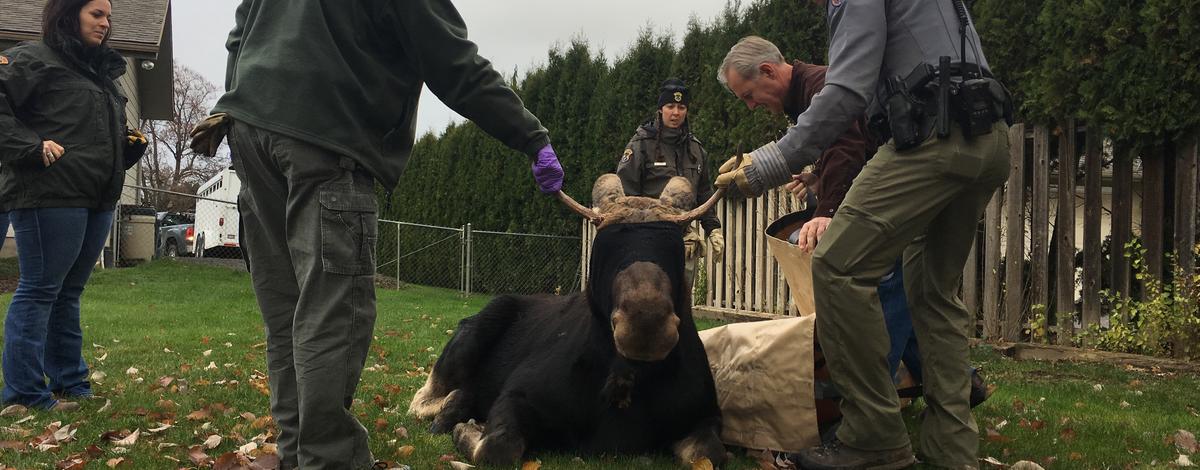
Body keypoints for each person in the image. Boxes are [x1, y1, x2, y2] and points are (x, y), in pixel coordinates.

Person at [190, 1, 565, 469]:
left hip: (249, 128)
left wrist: (247, 99)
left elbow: (240, 31)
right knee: (333, 310)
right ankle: (330, 460)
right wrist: (531, 137)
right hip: (328, 137)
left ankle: (296, 453)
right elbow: (454, 64)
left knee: (287, 308)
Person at [715, 1, 1011, 468]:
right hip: (988, 135)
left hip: (934, 138)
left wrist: (771, 163)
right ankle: (951, 452)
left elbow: (847, 92)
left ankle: (872, 436)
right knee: (931, 295)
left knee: (835, 266)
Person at [0, 0, 147, 411]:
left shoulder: (100, 75)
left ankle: (70, 383)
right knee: (40, 290)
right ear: (68, 14)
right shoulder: (32, 58)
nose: (105, 23)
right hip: (49, 193)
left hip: (96, 197)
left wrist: (125, 149)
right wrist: (29, 146)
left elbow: (85, 133)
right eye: (96, 14)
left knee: (68, 292)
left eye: (108, 17)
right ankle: (25, 394)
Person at [616, 78, 724, 290]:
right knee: (650, 302)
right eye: (670, 106)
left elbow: (703, 192)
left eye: (681, 107)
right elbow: (625, 192)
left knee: (681, 303)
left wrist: (713, 229)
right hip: (647, 239)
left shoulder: (696, 151)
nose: (676, 112)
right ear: (660, 109)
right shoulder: (641, 145)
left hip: (684, 241)